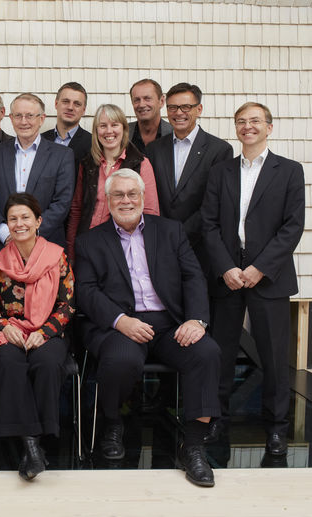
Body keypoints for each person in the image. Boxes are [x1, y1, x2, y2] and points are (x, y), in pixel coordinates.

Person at [75, 169, 220, 487]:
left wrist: (196, 320)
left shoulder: (170, 231)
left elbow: (193, 276)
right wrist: (120, 321)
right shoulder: (89, 241)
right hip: (119, 324)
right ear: (107, 199)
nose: (126, 200)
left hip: (169, 323)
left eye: (132, 194)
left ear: (142, 197)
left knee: (207, 352)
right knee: (122, 359)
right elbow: (85, 290)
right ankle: (112, 424)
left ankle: (193, 446)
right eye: (119, 195)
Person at [201, 102, 305, 455]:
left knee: (274, 357)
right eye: (241, 121)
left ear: (269, 127)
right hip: (227, 276)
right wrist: (226, 267)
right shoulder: (221, 172)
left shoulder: (289, 171)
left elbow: (292, 227)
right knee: (221, 354)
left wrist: (260, 268)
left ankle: (276, 427)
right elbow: (209, 224)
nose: (248, 127)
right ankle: (217, 420)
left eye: (255, 121)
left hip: (269, 278)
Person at [0, 193, 75, 480]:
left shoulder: (57, 256)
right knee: (10, 361)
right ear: (7, 224)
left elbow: (67, 304)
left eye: (25, 218)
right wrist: (3, 327)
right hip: (8, 329)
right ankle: (32, 445)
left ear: (38, 221)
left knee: (46, 363)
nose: (19, 223)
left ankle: (36, 440)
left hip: (47, 330)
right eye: (13, 219)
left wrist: (45, 332)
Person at [145, 82, 232, 265]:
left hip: (200, 246)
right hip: (161, 245)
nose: (178, 113)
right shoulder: (154, 149)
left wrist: (180, 235)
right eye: (173, 107)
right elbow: (151, 196)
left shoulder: (219, 150)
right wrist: (163, 234)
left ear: (199, 109)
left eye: (186, 107)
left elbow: (213, 203)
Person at [65, 104, 159, 260]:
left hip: (123, 246)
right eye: (103, 126)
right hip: (88, 243)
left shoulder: (140, 163)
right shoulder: (87, 164)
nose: (109, 131)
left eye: (114, 125)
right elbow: (76, 210)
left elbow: (150, 212)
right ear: (96, 131)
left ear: (123, 129)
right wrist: (71, 250)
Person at [0, 93, 74, 251]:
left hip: (47, 245)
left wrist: (31, 234)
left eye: (30, 116)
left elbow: (62, 202)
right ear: (11, 119)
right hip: (4, 246)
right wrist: (5, 233)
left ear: (41, 119)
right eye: (18, 116)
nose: (23, 121)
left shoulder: (62, 155)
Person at [42, 82, 92, 179]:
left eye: (77, 104)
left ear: (84, 110)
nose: (70, 107)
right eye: (65, 101)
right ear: (56, 104)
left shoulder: (92, 144)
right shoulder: (40, 140)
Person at [128, 79, 172, 152]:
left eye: (147, 98)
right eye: (137, 100)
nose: (141, 105)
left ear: (161, 101)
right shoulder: (123, 134)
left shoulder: (174, 134)